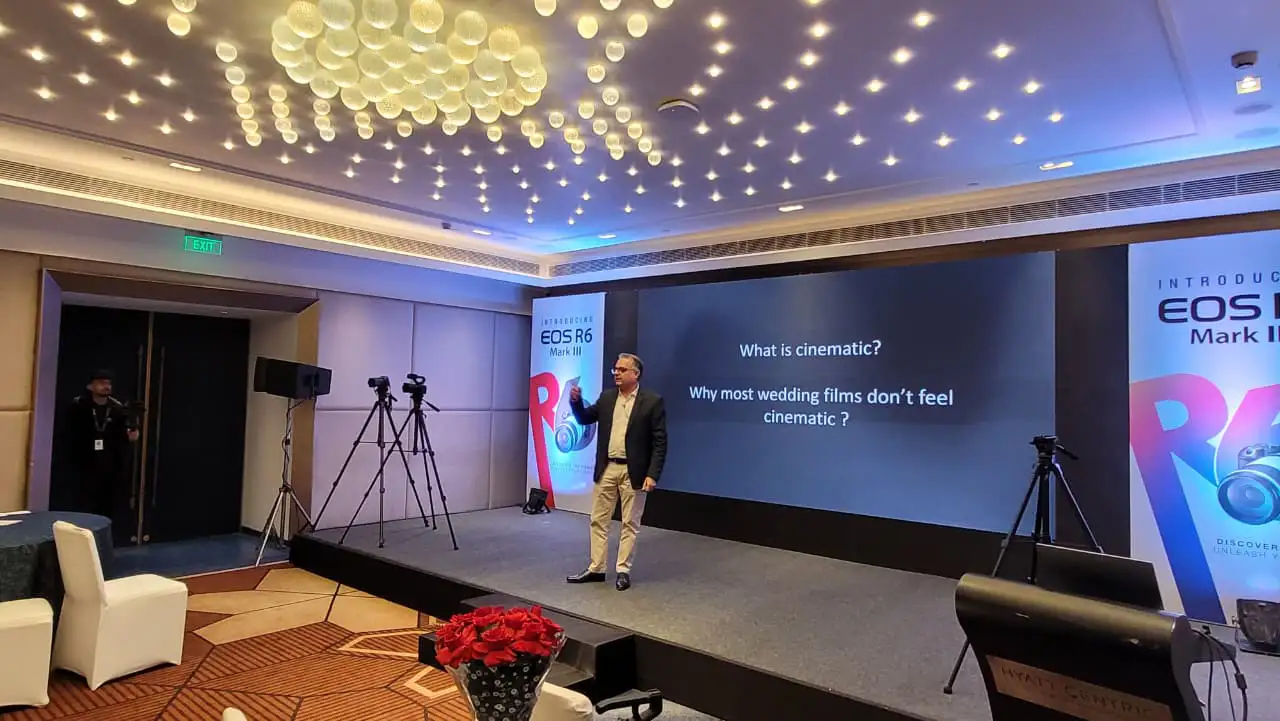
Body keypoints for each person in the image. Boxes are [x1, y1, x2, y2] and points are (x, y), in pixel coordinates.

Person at [566, 352, 667, 591]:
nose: (617, 373)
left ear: (636, 374)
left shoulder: (652, 401)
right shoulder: (607, 397)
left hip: (635, 471)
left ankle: (623, 570)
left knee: (630, 523)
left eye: (622, 370)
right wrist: (576, 402)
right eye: (616, 369)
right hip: (607, 468)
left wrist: (652, 474)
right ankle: (597, 568)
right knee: (598, 520)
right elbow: (584, 419)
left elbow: (660, 442)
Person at [58, 370, 139, 521]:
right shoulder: (78, 406)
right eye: (102, 383)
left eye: (108, 383)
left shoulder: (117, 408)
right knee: (83, 506)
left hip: (109, 468)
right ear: (90, 386)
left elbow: (124, 437)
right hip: (83, 465)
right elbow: (68, 434)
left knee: (107, 507)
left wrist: (131, 434)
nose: (106, 386)